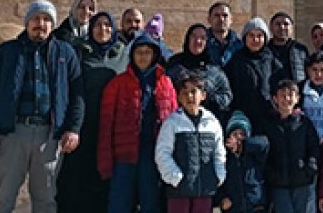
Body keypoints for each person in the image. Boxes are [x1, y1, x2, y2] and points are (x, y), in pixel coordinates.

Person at [0, 0, 85, 213]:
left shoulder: (65, 53)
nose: (41, 24)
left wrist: (73, 129)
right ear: (27, 23)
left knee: (45, 200)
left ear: (53, 25)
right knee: (2, 199)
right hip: (12, 134)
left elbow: (77, 96)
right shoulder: (8, 51)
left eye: (46, 19)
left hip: (49, 136)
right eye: (36, 18)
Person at [99, 33, 179, 213]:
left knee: (151, 204)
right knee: (120, 204)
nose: (143, 57)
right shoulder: (117, 84)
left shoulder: (165, 83)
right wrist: (105, 159)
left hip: (153, 154)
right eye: (139, 52)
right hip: (123, 155)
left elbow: (174, 120)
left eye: (147, 52)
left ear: (154, 55)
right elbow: (106, 124)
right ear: (132, 55)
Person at [58, 11, 127, 213]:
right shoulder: (79, 52)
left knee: (105, 180)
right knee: (76, 180)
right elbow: (74, 89)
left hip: (112, 129)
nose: (103, 29)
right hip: (84, 126)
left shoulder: (122, 55)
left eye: (107, 25)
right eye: (98, 24)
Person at [156, 71, 226, 213]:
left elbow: (219, 153)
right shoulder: (172, 123)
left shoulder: (212, 123)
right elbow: (162, 153)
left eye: (194, 92)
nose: (189, 96)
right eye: (185, 92)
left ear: (203, 96)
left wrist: (219, 175)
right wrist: (175, 177)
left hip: (204, 188)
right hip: (179, 190)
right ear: (179, 97)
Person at [262, 79, 321, 213]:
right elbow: (264, 152)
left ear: (297, 98)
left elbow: (314, 148)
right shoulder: (268, 124)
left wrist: (310, 168)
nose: (287, 99)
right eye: (282, 95)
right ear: (275, 99)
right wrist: (270, 173)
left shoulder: (305, 123)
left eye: (291, 95)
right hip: (278, 183)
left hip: (302, 181)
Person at [227, 17, 286, 133]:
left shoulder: (272, 61)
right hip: (243, 117)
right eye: (251, 36)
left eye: (259, 36)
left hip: (268, 116)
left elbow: (280, 85)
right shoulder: (236, 60)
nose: (255, 39)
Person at [168, 23, 234, 125]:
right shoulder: (174, 65)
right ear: (187, 39)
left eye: (202, 38)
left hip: (207, 123)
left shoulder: (214, 68)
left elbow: (226, 95)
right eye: (194, 37)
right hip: (177, 122)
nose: (198, 41)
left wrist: (206, 99)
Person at [217, 111, 269, 213]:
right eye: (235, 134)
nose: (238, 138)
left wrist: (242, 145)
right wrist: (221, 199)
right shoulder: (224, 158)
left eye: (242, 134)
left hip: (255, 207)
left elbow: (264, 143)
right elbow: (218, 181)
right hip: (234, 208)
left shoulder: (254, 156)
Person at [300, 51, 323, 140]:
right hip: (306, 142)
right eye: (314, 70)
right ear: (308, 70)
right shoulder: (299, 91)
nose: (318, 74)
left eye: (322, 70)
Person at [267, 12, 310, 84]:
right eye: (277, 24)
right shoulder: (265, 50)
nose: (282, 27)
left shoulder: (301, 49)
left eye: (286, 24)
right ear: (271, 28)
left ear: (292, 28)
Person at [207, 2, 243, 67]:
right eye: (216, 15)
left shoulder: (240, 46)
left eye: (225, 15)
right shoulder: (201, 44)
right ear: (209, 19)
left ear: (231, 19)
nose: (221, 19)